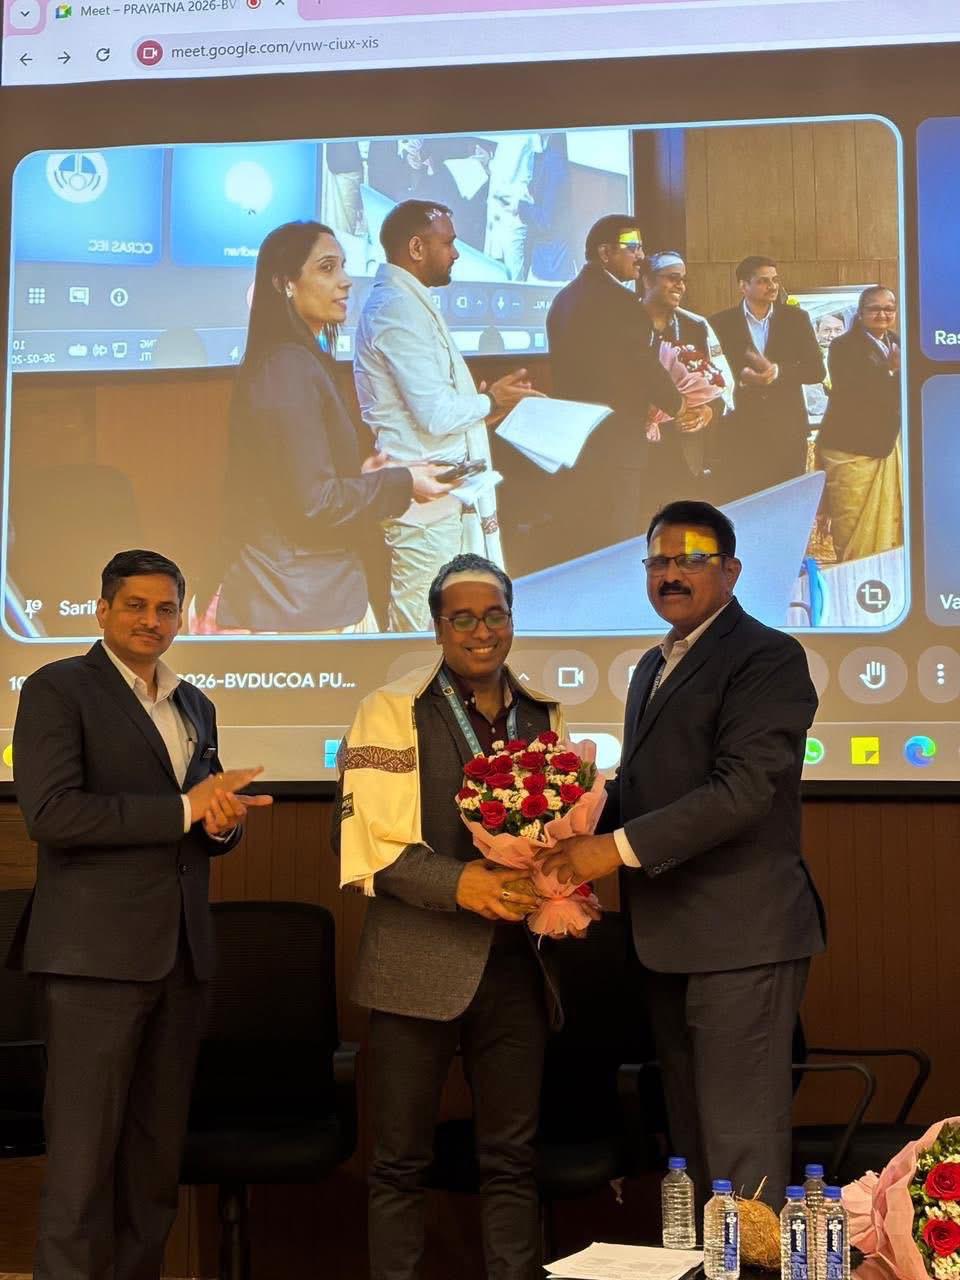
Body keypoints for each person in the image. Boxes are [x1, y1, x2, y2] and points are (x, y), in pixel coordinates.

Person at [540, 500, 825, 1210]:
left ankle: (750, 1262)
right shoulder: (652, 665)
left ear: (731, 571)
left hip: (739, 938)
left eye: (691, 560)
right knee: (695, 1148)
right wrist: (567, 824)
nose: (671, 574)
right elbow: (649, 787)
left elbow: (743, 792)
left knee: (741, 1149)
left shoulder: (767, 658)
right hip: (667, 940)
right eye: (659, 561)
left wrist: (610, 850)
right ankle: (711, 1258)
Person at [9, 548, 273, 1280]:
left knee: (153, 1172)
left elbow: (198, 820)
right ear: (102, 610)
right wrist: (186, 809)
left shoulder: (195, 704)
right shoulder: (58, 688)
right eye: (135, 605)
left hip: (180, 960)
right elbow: (52, 814)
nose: (151, 620)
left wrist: (220, 824)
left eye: (165, 609)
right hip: (92, 962)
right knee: (81, 1171)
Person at [334, 553, 569, 1280]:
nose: (480, 631)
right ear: (437, 627)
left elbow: (559, 832)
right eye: (462, 618)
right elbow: (372, 849)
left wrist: (559, 880)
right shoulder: (391, 710)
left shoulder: (542, 713)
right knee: (399, 1162)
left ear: (512, 621)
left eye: (494, 615)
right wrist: (463, 883)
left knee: (512, 1161)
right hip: (415, 966)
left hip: (517, 968)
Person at [211, 220, 450, 634]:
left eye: (342, 266)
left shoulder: (298, 360)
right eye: (326, 268)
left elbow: (298, 481)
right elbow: (314, 504)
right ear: (286, 283)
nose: (345, 281)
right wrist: (403, 482)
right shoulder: (287, 367)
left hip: (312, 594)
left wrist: (363, 477)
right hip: (299, 603)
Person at [354, 200, 541, 632]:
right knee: (419, 633)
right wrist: (490, 400)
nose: (456, 253)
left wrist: (484, 412)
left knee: (453, 626)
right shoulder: (396, 307)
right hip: (423, 506)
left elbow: (431, 406)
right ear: (416, 247)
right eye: (449, 243)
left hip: (445, 498)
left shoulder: (409, 301)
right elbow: (436, 414)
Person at [546, 216, 706, 556]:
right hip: (616, 442)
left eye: (641, 248)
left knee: (583, 540)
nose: (641, 256)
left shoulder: (564, 299)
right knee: (616, 541)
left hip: (575, 440)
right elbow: (641, 365)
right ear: (605, 253)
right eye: (633, 248)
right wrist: (679, 405)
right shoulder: (621, 303)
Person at [710, 256, 825, 499]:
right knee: (744, 502)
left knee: (787, 502)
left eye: (775, 280)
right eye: (763, 281)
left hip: (787, 431)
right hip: (740, 432)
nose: (772, 286)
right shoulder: (720, 323)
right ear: (743, 286)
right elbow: (712, 372)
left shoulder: (796, 318)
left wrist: (778, 372)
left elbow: (816, 370)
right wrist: (741, 379)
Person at [817, 286, 903, 560]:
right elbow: (853, 392)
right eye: (875, 309)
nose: (882, 314)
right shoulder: (843, 346)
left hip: (887, 444)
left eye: (888, 309)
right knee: (852, 526)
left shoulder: (899, 342)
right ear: (861, 313)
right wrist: (891, 370)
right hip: (851, 448)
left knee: (890, 525)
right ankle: (854, 574)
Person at [640, 250, 733, 495]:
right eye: (672, 278)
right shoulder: (625, 323)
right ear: (647, 280)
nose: (680, 285)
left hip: (685, 451)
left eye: (683, 280)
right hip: (635, 449)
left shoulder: (697, 326)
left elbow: (721, 384)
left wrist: (707, 411)